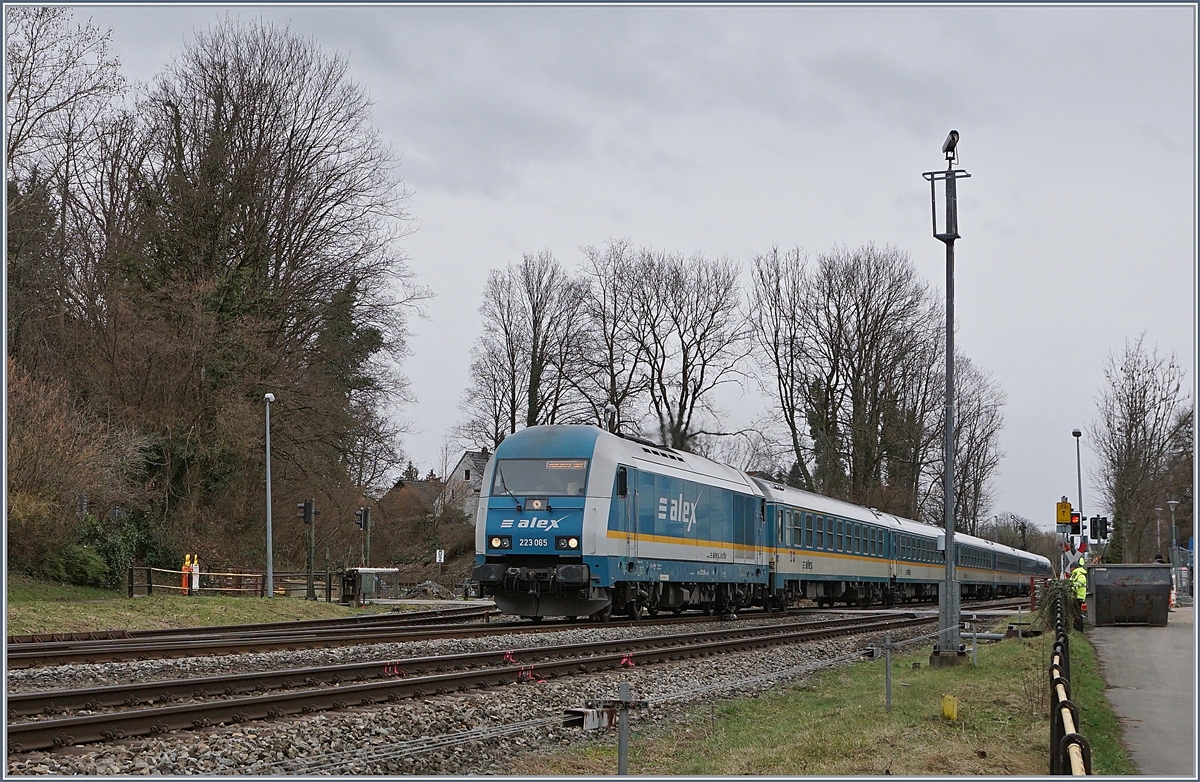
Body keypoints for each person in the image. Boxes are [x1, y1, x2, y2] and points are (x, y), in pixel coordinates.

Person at [1070, 561, 1087, 631]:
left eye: (1071, 568)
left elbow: (1077, 584)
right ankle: (1076, 627)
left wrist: (1071, 589)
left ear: (1073, 568)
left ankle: (1079, 628)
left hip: (1078, 597)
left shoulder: (1080, 575)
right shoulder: (1075, 574)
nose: (1070, 569)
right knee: (1076, 613)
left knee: (1077, 614)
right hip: (1076, 597)